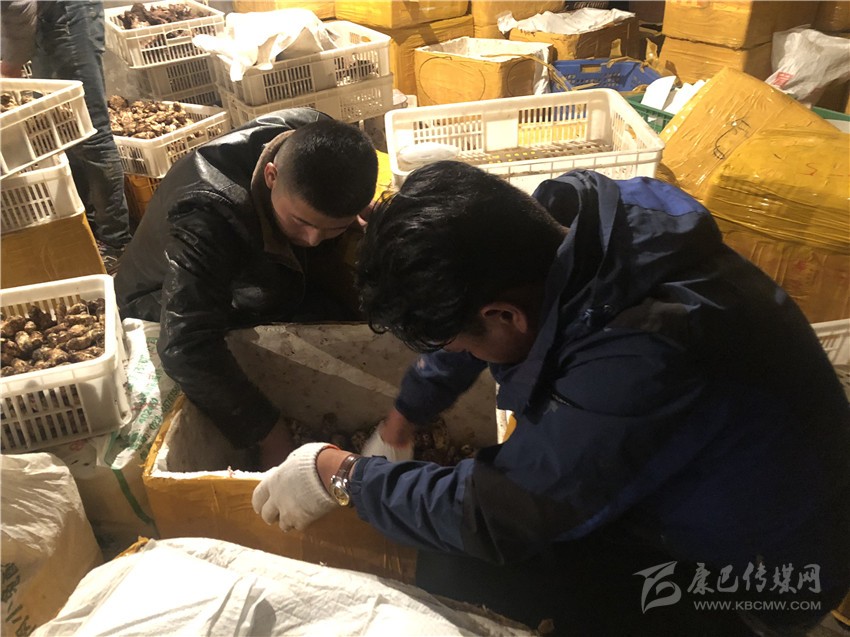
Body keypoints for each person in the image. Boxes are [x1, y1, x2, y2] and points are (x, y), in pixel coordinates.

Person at [251, 162, 850, 636]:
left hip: (759, 575)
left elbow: (500, 516)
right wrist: (405, 416)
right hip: (706, 488)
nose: (459, 351)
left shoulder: (642, 353)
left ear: (504, 315)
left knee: (474, 567)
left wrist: (343, 476)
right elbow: (473, 324)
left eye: (457, 340)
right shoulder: (564, 230)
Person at [115, 109, 378, 469]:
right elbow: (185, 344)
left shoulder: (315, 131)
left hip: (254, 263)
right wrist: (268, 432)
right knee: (275, 315)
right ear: (271, 176)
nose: (313, 240)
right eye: (301, 222)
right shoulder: (209, 213)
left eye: (331, 227)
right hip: (154, 298)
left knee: (342, 308)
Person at [0, 0, 133, 263]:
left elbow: (18, 5)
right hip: (43, 16)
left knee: (90, 132)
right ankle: (87, 227)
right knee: (61, 130)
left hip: (66, 13)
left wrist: (11, 64)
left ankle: (116, 242)